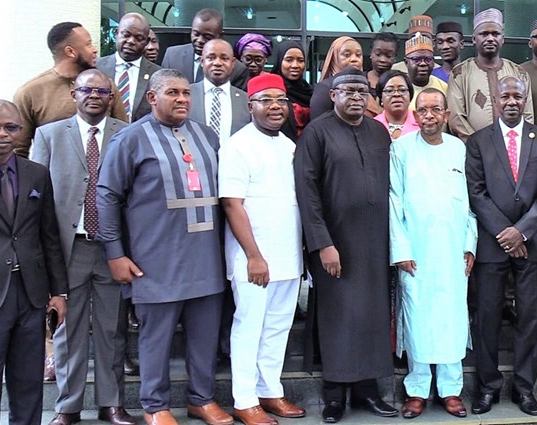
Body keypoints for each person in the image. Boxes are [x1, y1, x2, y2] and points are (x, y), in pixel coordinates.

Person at [96, 68, 232, 425]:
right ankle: (155, 406)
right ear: (152, 98)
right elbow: (107, 196)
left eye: (186, 93)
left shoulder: (206, 135)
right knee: (156, 338)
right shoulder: (130, 139)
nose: (182, 99)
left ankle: (201, 399)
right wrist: (115, 253)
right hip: (155, 260)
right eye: (173, 92)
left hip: (206, 257)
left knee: (204, 336)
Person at [293, 67, 396, 423]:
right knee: (338, 318)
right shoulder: (317, 133)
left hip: (376, 241)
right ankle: (334, 395)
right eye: (348, 91)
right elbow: (307, 192)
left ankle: (367, 391)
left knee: (372, 315)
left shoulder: (378, 131)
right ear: (333, 95)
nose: (355, 97)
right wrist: (322, 243)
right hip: (336, 242)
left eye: (361, 91)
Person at [31, 69, 134, 425]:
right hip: (67, 248)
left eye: (102, 91)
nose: (94, 96)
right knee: (66, 330)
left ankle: (111, 404)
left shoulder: (127, 133)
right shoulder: (48, 135)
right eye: (87, 89)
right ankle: (68, 406)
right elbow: (37, 198)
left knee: (112, 329)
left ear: (111, 97)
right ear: (74, 93)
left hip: (112, 248)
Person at [0, 99, 68, 425]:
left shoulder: (37, 174)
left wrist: (59, 291)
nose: (2, 134)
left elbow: (49, 236)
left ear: (21, 131)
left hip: (31, 295)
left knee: (29, 386)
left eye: (10, 127)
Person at [466, 76, 537, 417]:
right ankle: (487, 387)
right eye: (504, 96)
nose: (510, 102)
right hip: (492, 245)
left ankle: (524, 388)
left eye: (517, 96)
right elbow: (476, 192)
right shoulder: (478, 141)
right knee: (487, 318)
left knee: (530, 319)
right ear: (495, 99)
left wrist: (521, 232)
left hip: (533, 244)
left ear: (525, 100)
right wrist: (505, 233)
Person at [219, 73, 307, 425]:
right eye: (266, 100)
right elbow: (232, 204)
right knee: (250, 326)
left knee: (278, 327)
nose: (275, 107)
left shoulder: (288, 145)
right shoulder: (238, 145)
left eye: (281, 100)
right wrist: (254, 256)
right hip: (254, 258)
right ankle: (244, 399)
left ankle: (269, 390)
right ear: (250, 105)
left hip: (288, 255)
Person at [391, 88, 475, 420]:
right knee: (418, 318)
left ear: (446, 115)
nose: (429, 116)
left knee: (452, 316)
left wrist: (470, 244)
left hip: (453, 249)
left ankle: (451, 389)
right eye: (423, 110)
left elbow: (469, 202)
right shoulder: (401, 149)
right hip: (416, 249)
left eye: (435, 110)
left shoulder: (458, 148)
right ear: (415, 116)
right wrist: (401, 249)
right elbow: (394, 200)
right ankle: (417, 390)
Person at [14, 21, 128, 158]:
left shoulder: (105, 87)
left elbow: (125, 134)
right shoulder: (30, 93)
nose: (94, 50)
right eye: (88, 44)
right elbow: (19, 152)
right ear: (70, 51)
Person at [447, 8, 534, 141]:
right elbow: (456, 118)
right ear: (474, 39)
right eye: (484, 34)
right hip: (473, 148)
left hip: (513, 146)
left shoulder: (519, 73)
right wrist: (478, 145)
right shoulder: (460, 73)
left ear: (502, 39)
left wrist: (516, 142)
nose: (490, 39)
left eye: (495, 34)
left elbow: (527, 115)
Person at [160, 8, 249, 90]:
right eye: (196, 34)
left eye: (207, 37)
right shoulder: (172, 56)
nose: (200, 40)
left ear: (220, 36)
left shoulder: (236, 69)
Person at [97, 13, 162, 122]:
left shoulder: (157, 74)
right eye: (126, 35)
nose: (131, 41)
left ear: (146, 42)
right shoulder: (96, 68)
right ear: (117, 33)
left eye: (138, 38)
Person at [189, 39, 251, 145]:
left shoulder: (246, 100)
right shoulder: (186, 95)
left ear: (233, 63)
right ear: (202, 62)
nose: (217, 63)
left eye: (224, 58)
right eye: (211, 58)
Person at [310, 36, 382, 119]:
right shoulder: (324, 88)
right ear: (334, 58)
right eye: (347, 55)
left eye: (358, 55)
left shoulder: (365, 85)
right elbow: (318, 123)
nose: (354, 59)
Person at [273, 40, 313, 136]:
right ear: (280, 62)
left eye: (300, 60)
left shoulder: (311, 91)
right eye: (289, 60)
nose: (295, 65)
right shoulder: (271, 90)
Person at [403, 32, 448, 109]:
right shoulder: (399, 88)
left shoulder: (444, 87)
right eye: (416, 59)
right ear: (406, 62)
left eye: (428, 59)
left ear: (433, 62)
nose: (423, 63)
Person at [375, 70, 419, 140]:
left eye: (402, 90)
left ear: (410, 96)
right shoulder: (372, 126)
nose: (396, 94)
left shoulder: (421, 123)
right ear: (381, 98)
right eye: (389, 91)